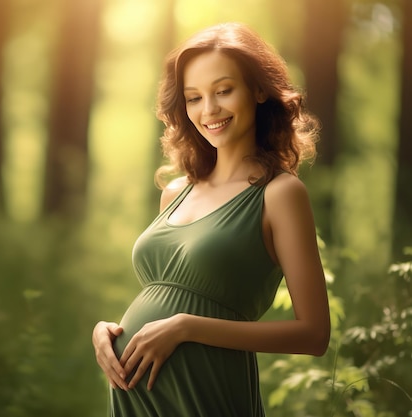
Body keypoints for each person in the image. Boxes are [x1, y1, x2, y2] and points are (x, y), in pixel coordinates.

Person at [91, 22, 331, 416]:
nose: (209, 110)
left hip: (208, 394)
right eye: (194, 97)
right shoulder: (175, 192)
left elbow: (314, 335)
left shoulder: (279, 194)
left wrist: (188, 327)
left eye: (223, 91)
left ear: (257, 90)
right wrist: (108, 333)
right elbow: (166, 295)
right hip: (137, 398)